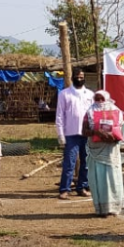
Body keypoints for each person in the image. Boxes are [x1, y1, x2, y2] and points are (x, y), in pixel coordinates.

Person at [82, 91, 124, 217]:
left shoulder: (116, 111)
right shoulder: (89, 112)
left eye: (102, 98)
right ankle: (102, 209)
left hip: (111, 151)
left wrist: (112, 137)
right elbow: (84, 131)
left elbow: (121, 129)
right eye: (97, 99)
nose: (100, 101)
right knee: (98, 179)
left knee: (112, 178)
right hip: (96, 151)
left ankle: (114, 208)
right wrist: (96, 132)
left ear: (107, 98)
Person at [55, 69, 94, 200]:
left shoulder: (90, 94)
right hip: (70, 133)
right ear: (72, 78)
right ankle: (64, 189)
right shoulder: (64, 94)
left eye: (82, 76)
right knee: (69, 163)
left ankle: (82, 187)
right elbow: (59, 115)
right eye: (77, 76)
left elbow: (94, 114)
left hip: (87, 134)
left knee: (86, 162)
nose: (79, 78)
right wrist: (60, 134)